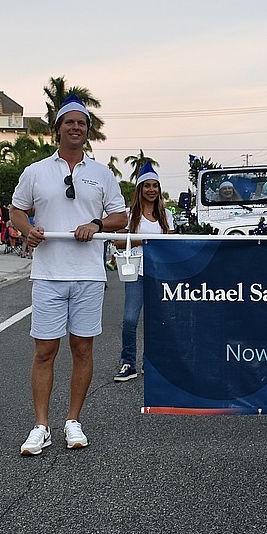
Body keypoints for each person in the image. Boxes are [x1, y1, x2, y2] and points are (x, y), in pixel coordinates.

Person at [11, 94, 127, 455]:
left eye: (81, 123)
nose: (75, 128)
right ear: (58, 129)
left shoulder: (101, 173)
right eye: (69, 123)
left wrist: (96, 223)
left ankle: (73, 421)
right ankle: (40, 425)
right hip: (47, 274)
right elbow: (16, 210)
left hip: (89, 274)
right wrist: (25, 229)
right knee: (45, 350)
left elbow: (120, 217)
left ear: (86, 131)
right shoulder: (35, 172)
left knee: (82, 348)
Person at [114, 162, 174, 382]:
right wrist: (146, 240)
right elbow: (118, 241)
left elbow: (172, 242)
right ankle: (128, 362)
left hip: (160, 272)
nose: (151, 190)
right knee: (130, 319)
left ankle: (153, 362)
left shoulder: (166, 214)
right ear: (140, 189)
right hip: (136, 272)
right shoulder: (130, 215)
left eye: (155, 186)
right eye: (147, 186)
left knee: (159, 319)